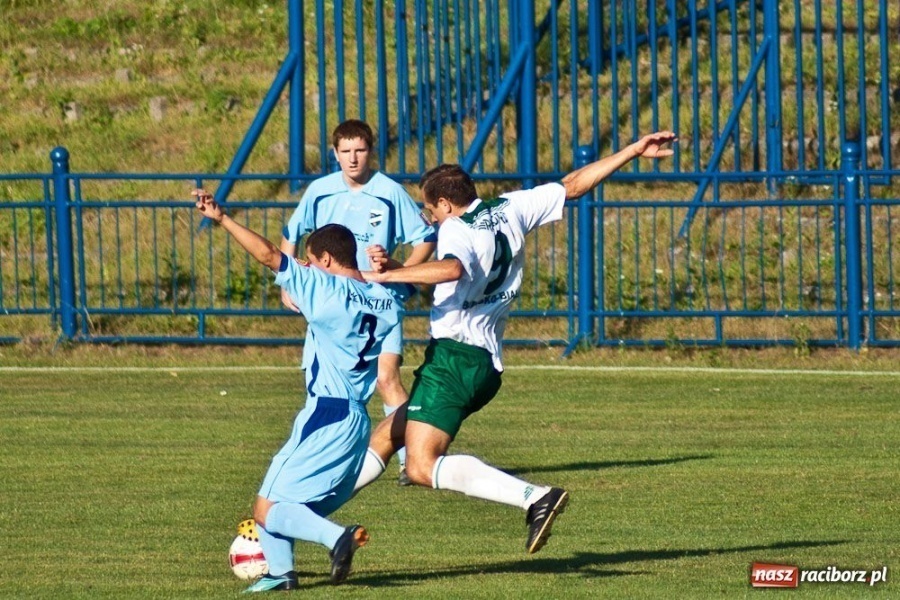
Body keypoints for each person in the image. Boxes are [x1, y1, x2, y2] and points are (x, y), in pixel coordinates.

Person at [354, 131, 678, 554]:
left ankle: (534, 497)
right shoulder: (510, 206)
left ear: (447, 205)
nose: (429, 216)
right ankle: (311, 517)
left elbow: (452, 269)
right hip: (482, 362)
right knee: (385, 436)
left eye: (430, 208)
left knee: (419, 465)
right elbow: (575, 184)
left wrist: (386, 275)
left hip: (456, 359)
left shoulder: (454, 229)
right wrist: (633, 151)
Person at [193, 189, 401, 591]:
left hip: (326, 412)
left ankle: (336, 538)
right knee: (289, 505)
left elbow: (270, 254)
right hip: (358, 418)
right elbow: (371, 287)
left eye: (312, 260)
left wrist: (222, 219)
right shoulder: (386, 301)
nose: (308, 266)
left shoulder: (324, 290)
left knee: (266, 509)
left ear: (324, 259)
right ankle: (281, 574)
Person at [281, 119, 436, 486]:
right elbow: (291, 233)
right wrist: (287, 286)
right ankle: (324, 454)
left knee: (387, 379)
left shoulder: (389, 192)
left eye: (360, 150)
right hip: (334, 305)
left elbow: (426, 236)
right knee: (323, 382)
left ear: (371, 152)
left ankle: (410, 460)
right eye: (345, 151)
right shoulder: (319, 191)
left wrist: (401, 276)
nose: (353, 159)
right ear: (334, 153)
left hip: (379, 302)